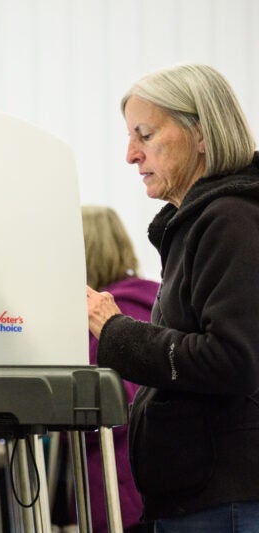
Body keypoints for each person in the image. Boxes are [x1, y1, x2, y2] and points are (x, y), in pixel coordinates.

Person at [87, 63, 259, 532]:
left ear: (200, 134)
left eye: (144, 133)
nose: (130, 154)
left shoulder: (230, 220)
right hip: (201, 501)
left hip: (225, 505)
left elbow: (229, 358)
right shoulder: (203, 224)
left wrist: (114, 330)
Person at [79, 205, 158, 532]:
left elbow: (114, 406)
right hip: (141, 490)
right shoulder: (149, 304)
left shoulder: (111, 318)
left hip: (120, 496)